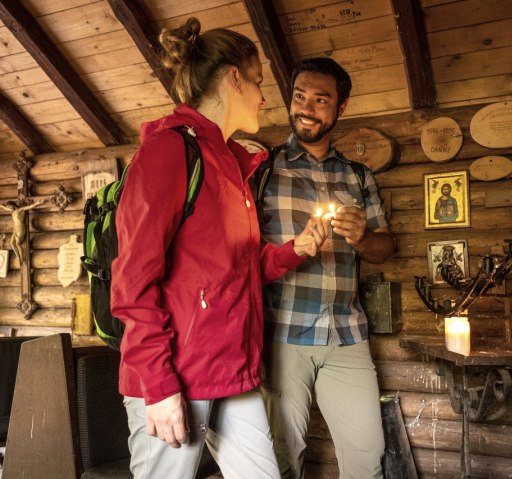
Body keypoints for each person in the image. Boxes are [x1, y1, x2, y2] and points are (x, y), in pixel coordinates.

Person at [110, 18, 327, 479]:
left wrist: (297, 249)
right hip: (177, 377)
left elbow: (238, 268)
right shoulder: (168, 153)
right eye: (259, 83)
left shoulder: (231, 165)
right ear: (233, 78)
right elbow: (131, 283)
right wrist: (159, 385)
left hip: (232, 370)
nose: (265, 97)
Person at [257, 58, 394, 478]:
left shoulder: (358, 176)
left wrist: (362, 238)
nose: (306, 108)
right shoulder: (262, 171)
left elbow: (385, 249)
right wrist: (292, 249)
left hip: (346, 334)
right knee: (281, 459)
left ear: (341, 107)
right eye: (300, 96)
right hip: (281, 335)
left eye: (320, 100)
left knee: (367, 456)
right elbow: (240, 258)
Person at [0, 199, 44, 265]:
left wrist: (37, 203)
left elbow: (29, 207)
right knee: (12, 243)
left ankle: (22, 258)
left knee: (18, 244)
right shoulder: (12, 211)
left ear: (13, 205)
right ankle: (18, 257)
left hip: (21, 228)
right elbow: (5, 208)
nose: (9, 208)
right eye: (9, 207)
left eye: (10, 206)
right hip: (15, 229)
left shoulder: (20, 210)